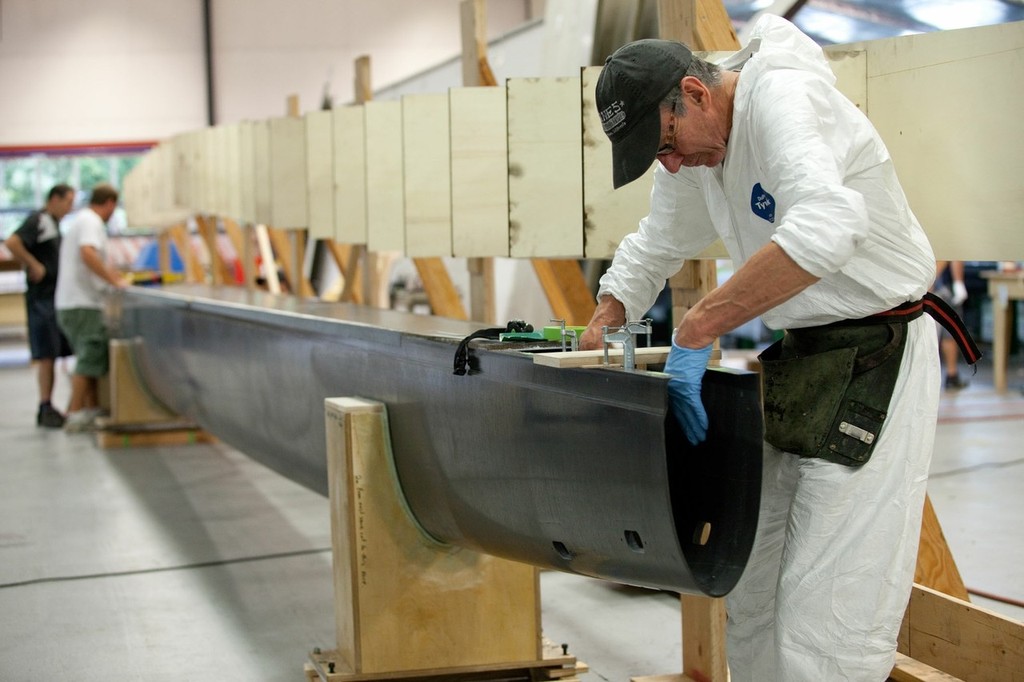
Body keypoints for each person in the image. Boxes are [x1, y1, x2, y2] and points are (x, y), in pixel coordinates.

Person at [582, 15, 977, 681]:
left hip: (877, 352)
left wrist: (699, 326)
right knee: (755, 584)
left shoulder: (783, 101)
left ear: (696, 92)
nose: (671, 163)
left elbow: (828, 227)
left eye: (669, 141)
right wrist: (608, 311)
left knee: (829, 604)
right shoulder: (693, 153)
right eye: (658, 155)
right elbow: (658, 239)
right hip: (804, 358)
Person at [55, 183, 129, 432]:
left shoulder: (82, 220)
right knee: (90, 355)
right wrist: (114, 281)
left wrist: (110, 273)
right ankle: (75, 413)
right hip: (81, 303)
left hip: (73, 303)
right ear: (109, 203)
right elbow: (87, 253)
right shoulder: (91, 222)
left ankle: (89, 408)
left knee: (89, 357)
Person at [3, 184, 76, 428]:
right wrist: (33, 265)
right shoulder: (40, 220)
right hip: (42, 299)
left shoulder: (53, 224)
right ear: (54, 199)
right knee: (46, 354)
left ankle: (49, 405)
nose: (70, 208)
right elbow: (13, 242)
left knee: (53, 353)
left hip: (53, 298)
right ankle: (45, 405)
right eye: (67, 202)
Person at [934, 260, 969, 389]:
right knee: (949, 333)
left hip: (935, 286)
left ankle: (952, 375)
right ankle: (951, 375)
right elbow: (953, 256)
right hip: (942, 288)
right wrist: (958, 282)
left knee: (946, 334)